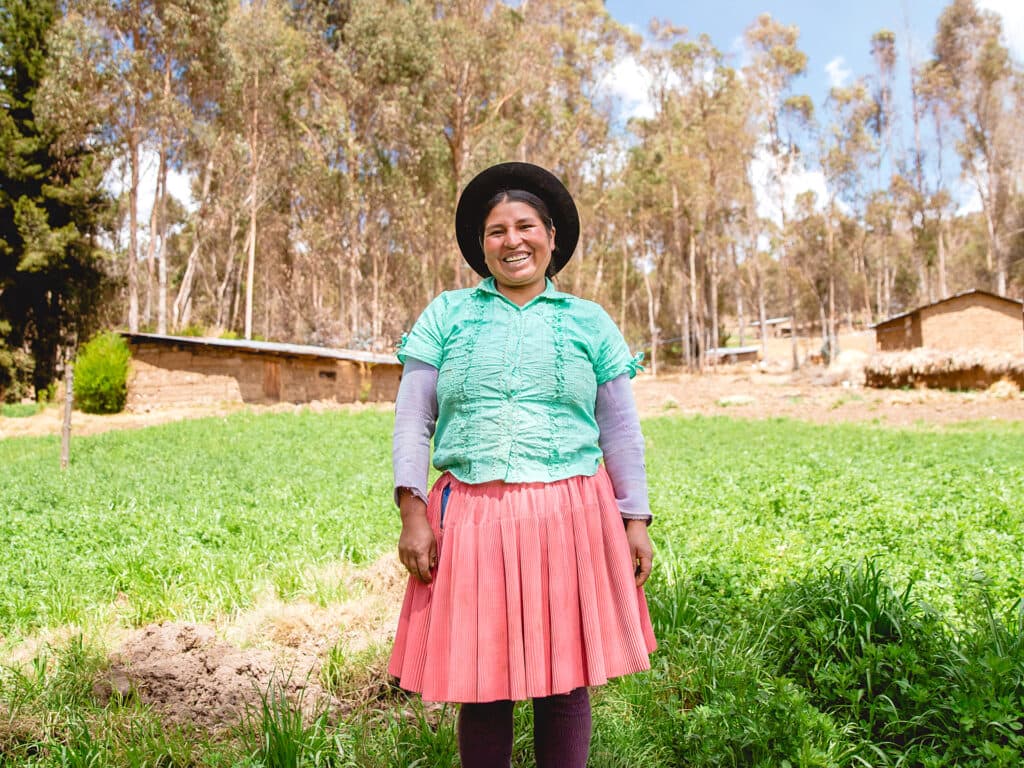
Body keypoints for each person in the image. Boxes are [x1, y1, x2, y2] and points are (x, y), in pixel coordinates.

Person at [388, 162, 656, 768]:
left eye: (526, 226)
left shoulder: (588, 322)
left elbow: (620, 429)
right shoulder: (447, 315)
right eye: (496, 231)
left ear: (552, 237)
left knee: (564, 680)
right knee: (484, 682)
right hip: (474, 518)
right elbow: (412, 418)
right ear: (481, 247)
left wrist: (634, 518)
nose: (513, 241)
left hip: (571, 513)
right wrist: (413, 508)